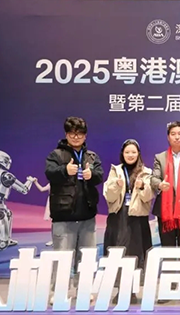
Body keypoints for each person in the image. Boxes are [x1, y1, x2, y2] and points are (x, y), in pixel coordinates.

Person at [45, 116, 104, 301]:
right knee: (62, 257)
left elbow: (100, 175)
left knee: (86, 257)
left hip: (87, 216)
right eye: (72, 133)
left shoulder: (91, 156)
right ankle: (59, 293)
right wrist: (64, 170)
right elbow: (49, 173)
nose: (76, 137)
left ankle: (84, 291)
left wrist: (91, 174)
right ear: (66, 134)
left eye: (79, 134)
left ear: (85, 136)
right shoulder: (56, 155)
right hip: (64, 216)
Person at [103, 139, 154, 304]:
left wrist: (141, 187)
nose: (130, 155)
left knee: (136, 253)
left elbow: (148, 197)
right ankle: (120, 289)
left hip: (138, 218)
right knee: (118, 251)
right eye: (127, 152)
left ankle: (132, 290)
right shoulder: (115, 170)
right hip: (118, 217)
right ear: (122, 154)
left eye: (133, 152)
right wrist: (116, 186)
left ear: (138, 154)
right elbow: (109, 196)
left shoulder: (146, 172)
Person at [31, 178, 52, 246]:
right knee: (53, 222)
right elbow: (42, 189)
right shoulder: (50, 184)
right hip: (51, 202)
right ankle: (53, 239)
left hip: (58, 201)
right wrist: (35, 182)